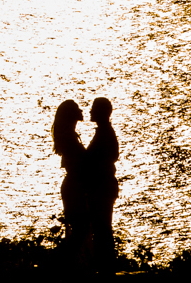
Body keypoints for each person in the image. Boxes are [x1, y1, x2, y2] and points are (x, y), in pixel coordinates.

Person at [52, 100, 89, 265]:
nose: (81, 111)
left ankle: (65, 263)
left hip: (74, 187)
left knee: (79, 230)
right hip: (74, 189)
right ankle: (60, 263)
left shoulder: (69, 138)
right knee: (81, 230)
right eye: (77, 110)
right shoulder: (70, 140)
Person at [86, 97, 120, 276]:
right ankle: (105, 266)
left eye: (93, 109)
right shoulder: (104, 132)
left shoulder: (105, 134)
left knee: (102, 229)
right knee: (102, 228)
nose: (90, 112)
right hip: (103, 187)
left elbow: (104, 158)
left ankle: (106, 269)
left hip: (102, 188)